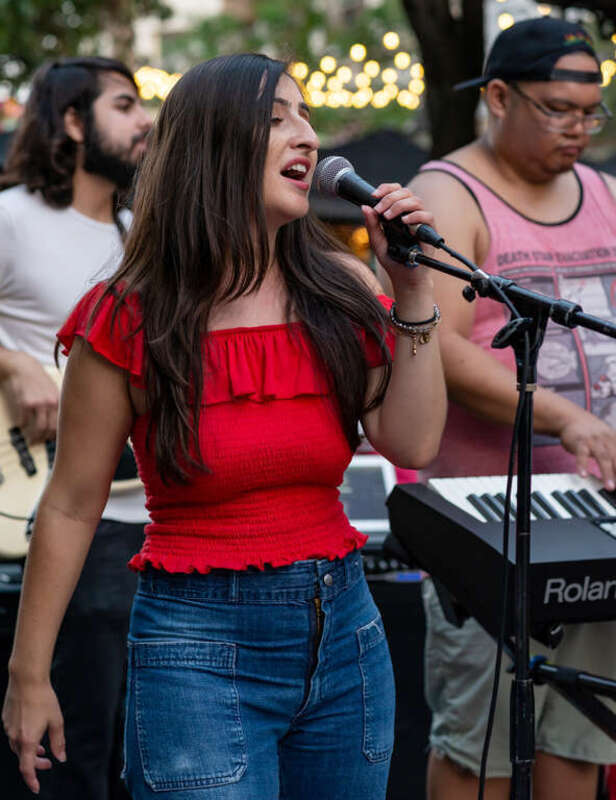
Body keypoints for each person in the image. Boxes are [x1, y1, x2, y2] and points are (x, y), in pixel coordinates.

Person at [2, 53, 447, 800]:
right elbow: (73, 504)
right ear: (211, 145)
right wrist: (28, 673)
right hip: (193, 648)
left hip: (345, 635)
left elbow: (414, 443)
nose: (305, 137)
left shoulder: (342, 289)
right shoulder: (128, 314)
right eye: (276, 120)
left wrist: (414, 293)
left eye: (306, 116)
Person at [404, 16, 616, 800]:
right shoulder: (444, 194)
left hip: (597, 516)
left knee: (580, 734)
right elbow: (441, 342)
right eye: (558, 108)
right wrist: (565, 416)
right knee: (480, 749)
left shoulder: (603, 192)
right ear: (497, 96)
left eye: (591, 112)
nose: (579, 129)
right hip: (488, 525)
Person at [0, 57, 152, 799]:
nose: (145, 120)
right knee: (72, 762)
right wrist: (9, 364)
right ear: (71, 121)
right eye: (125, 105)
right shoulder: (14, 216)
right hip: (55, 522)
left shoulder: (143, 234)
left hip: (149, 525)